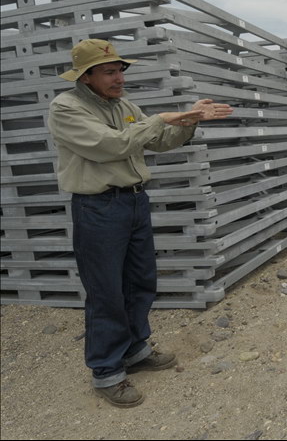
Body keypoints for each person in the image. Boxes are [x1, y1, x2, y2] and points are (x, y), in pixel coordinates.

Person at [47, 39, 234, 407]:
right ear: (85, 77)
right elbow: (111, 146)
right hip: (98, 208)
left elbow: (159, 141)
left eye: (120, 70)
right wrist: (160, 119)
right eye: (109, 72)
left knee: (140, 280)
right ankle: (106, 371)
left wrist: (187, 120)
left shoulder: (124, 106)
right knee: (106, 291)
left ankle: (134, 350)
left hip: (133, 202)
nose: (119, 78)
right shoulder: (66, 108)